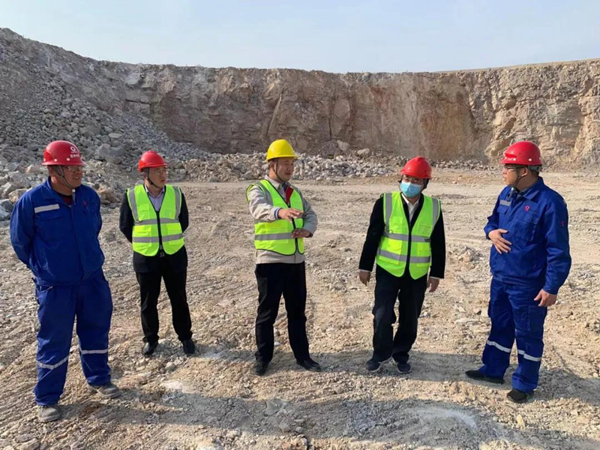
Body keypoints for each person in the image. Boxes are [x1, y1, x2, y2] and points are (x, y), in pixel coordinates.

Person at [10, 140, 120, 423]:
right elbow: (20, 242)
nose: (78, 171)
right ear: (54, 170)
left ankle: (99, 379)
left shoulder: (89, 197)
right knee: (54, 339)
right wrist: (45, 268)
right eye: (71, 167)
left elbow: (94, 229)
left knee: (96, 330)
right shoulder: (32, 202)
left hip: (92, 280)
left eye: (79, 166)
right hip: (56, 287)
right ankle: (47, 398)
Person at [466, 141, 571, 403]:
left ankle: (524, 383)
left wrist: (551, 287)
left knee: (527, 333)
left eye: (508, 167)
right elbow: (492, 221)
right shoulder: (507, 193)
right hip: (501, 277)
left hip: (528, 285)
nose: (503, 171)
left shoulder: (550, 203)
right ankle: (493, 370)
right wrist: (490, 233)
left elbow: (558, 250)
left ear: (524, 171)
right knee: (499, 325)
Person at [358, 156, 446, 374]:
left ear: (425, 184)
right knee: (382, 315)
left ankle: (401, 354)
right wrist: (365, 267)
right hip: (388, 270)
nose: (410, 183)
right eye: (407, 178)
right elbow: (373, 236)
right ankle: (380, 354)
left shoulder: (434, 207)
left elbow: (438, 242)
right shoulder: (386, 202)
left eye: (416, 180)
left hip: (416, 274)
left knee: (410, 319)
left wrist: (436, 273)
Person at [246, 139, 320, 376]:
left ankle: (303, 356)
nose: (290, 168)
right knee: (267, 314)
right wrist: (280, 212)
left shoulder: (295, 192)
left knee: (297, 313)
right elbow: (258, 209)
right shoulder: (258, 189)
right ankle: (263, 358)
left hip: (296, 262)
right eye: (285, 163)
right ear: (272, 164)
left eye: (292, 163)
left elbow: (311, 215)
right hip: (270, 262)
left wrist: (307, 230)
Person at [119, 150, 195, 356]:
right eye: (157, 171)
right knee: (148, 302)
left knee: (179, 299)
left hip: (174, 255)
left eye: (164, 170)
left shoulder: (176, 194)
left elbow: (183, 222)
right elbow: (125, 226)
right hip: (146, 258)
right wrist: (145, 243)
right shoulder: (132, 196)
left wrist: (167, 240)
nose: (163, 175)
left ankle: (185, 337)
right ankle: (151, 339)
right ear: (145, 174)